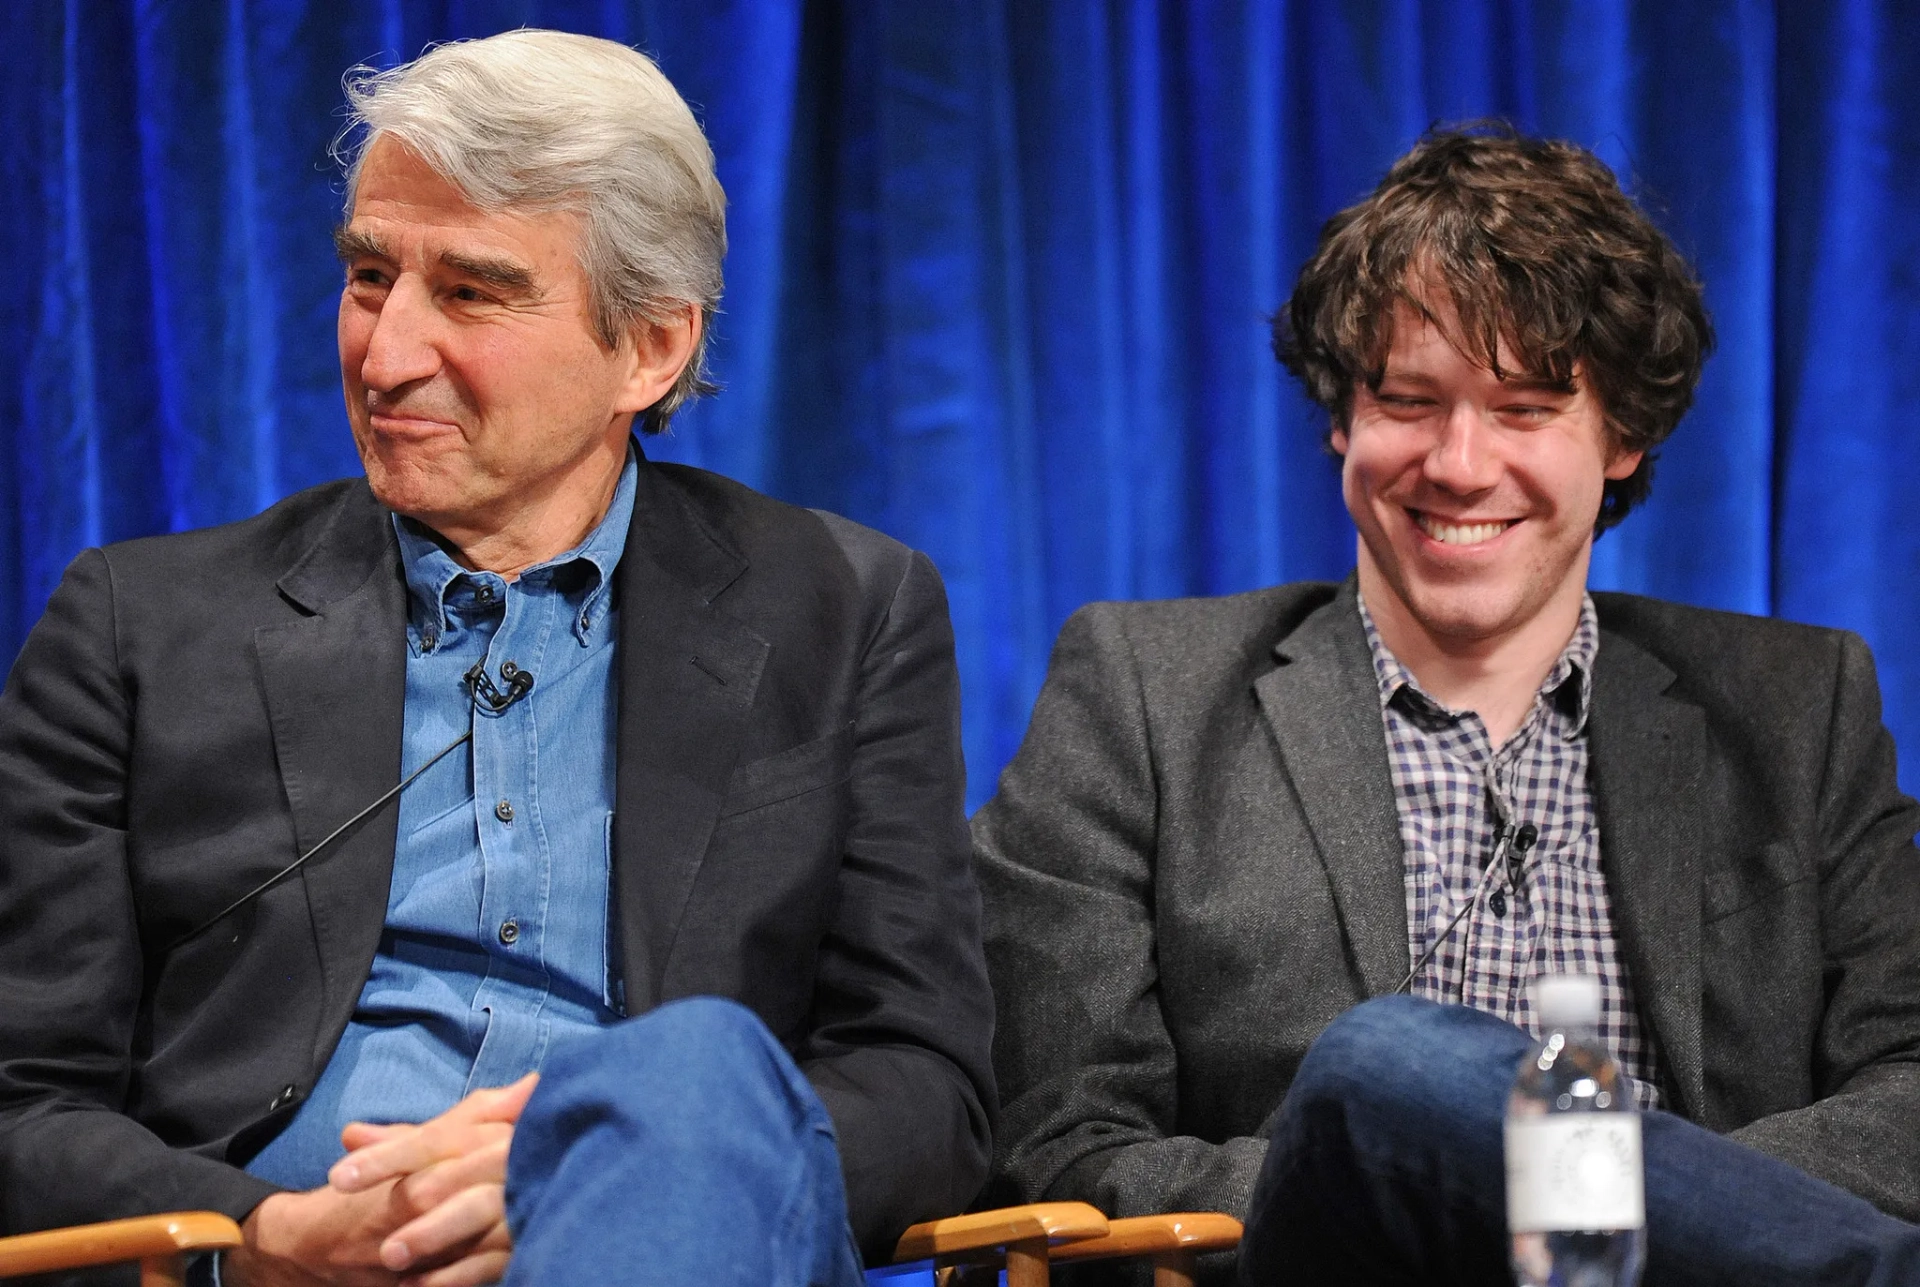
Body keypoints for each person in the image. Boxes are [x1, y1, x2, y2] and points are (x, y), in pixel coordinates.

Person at [0, 30, 993, 1287]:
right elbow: (23, 1099)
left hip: (677, 1225)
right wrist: (260, 1240)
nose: (387, 352)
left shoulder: (845, 610)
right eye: (369, 275)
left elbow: (927, 1086)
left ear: (651, 349)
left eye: (470, 292)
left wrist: (628, 1153)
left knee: (686, 1071)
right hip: (289, 1251)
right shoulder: (138, 627)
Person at [974, 125, 1920, 1284]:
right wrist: (1413, 1196)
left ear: (1622, 436)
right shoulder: (1141, 697)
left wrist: (1633, 1224)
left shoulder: (1798, 707)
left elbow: (1909, 1092)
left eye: (1524, 409)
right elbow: (1062, 1144)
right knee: (1389, 1070)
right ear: (1342, 422)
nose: (1460, 464)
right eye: (1410, 401)